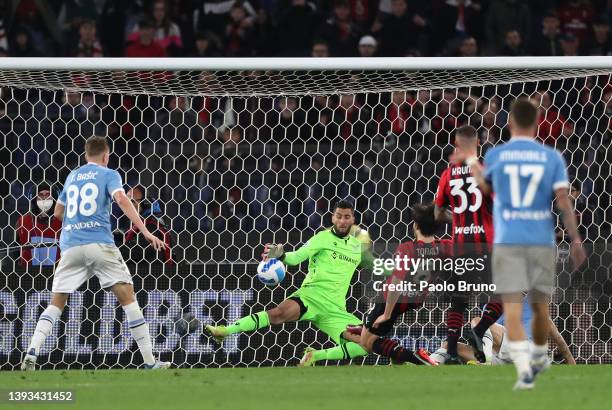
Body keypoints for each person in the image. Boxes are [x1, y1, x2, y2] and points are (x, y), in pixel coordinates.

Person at [455, 98, 586, 389]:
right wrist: (575, 238)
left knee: (511, 306)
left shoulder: (498, 154)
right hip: (540, 240)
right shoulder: (551, 157)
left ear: (511, 123)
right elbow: (564, 202)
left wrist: (472, 161)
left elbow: (485, 189)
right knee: (541, 308)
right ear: (537, 123)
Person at [21, 136, 169, 371]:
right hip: (100, 244)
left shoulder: (72, 176)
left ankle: (32, 351)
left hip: (70, 246)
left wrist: (76, 222)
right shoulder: (109, 174)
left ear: (85, 154)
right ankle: (150, 362)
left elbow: (58, 213)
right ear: (106, 155)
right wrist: (146, 232)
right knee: (128, 299)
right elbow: (121, 199)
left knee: (56, 303)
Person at [205, 200, 370, 365]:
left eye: (346, 217)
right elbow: (296, 257)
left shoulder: (357, 248)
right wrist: (282, 255)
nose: (342, 221)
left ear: (353, 219)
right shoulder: (321, 238)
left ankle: (315, 356)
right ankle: (225, 330)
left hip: (335, 309)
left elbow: (377, 265)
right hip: (311, 297)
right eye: (339, 216)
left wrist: (394, 269)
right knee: (277, 315)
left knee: (365, 344)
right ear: (332, 218)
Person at [434, 125, 498, 364]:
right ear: (478, 144)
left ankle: (451, 351)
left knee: (459, 299)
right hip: (486, 246)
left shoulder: (447, 175)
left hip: (460, 247)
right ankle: (479, 329)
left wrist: (458, 219)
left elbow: (438, 211)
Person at [352, 203, 444, 366]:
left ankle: (417, 358)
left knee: (366, 344)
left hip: (391, 300)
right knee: (369, 335)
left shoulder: (407, 248)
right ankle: (399, 358)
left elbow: (396, 282)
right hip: (415, 299)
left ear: (415, 226)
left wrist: (386, 313)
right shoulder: (444, 247)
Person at [431, 315, 576, 366]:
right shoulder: (494, 308)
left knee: (478, 321)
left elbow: (559, 340)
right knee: (451, 346)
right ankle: (427, 364)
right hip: (501, 359)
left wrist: (572, 364)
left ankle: (484, 360)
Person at [15, 182, 62, 267]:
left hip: (57, 273)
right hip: (27, 274)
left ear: (55, 198)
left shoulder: (62, 221)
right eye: (41, 195)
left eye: (48, 195)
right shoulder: (24, 221)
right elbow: (15, 249)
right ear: (35, 199)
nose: (44, 198)